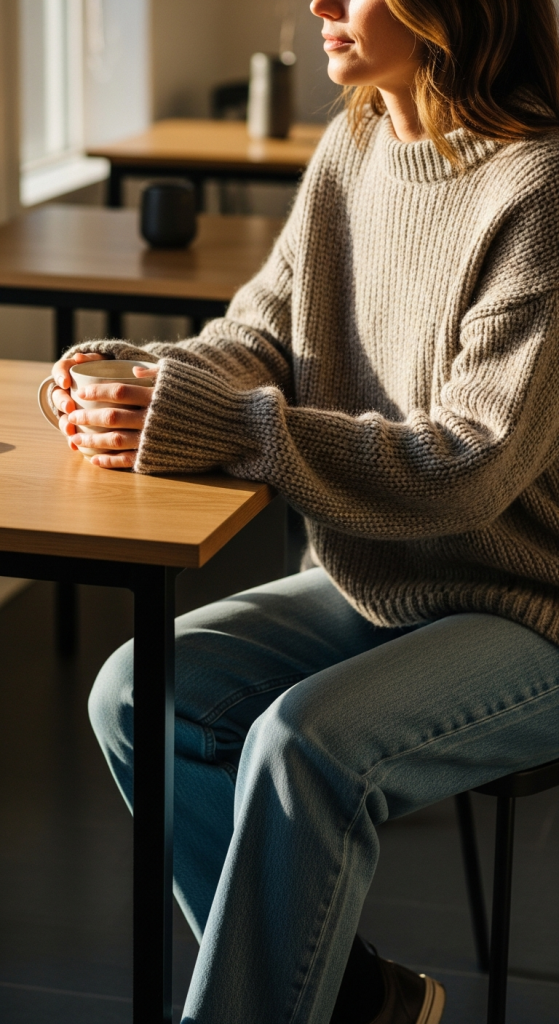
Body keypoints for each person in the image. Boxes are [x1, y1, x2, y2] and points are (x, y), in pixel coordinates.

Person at [49, 0, 559, 1021]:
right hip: (381, 579)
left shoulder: (539, 189)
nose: (318, 4)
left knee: (304, 743)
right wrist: (148, 379)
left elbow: (468, 462)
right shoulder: (356, 139)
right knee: (139, 695)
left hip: (526, 605)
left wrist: (218, 422)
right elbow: (262, 332)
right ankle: (358, 999)